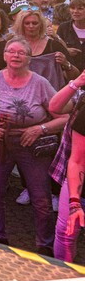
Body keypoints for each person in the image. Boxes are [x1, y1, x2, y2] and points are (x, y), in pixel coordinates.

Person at [0, 37, 63, 254]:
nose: (16, 55)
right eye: (11, 51)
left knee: (41, 198)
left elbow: (65, 117)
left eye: (21, 52)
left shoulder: (40, 83)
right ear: (4, 55)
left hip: (31, 145)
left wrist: (40, 129)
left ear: (29, 58)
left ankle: (45, 245)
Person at [48, 67, 85, 262]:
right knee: (65, 232)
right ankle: (64, 273)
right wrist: (77, 82)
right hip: (76, 177)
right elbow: (54, 107)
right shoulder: (82, 98)